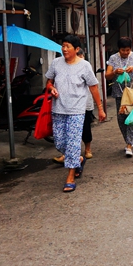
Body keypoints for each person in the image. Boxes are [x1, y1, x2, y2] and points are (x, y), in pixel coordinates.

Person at [46, 35, 106, 193]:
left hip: (76, 111)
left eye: (67, 46)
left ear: (76, 49)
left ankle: (70, 177)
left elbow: (93, 87)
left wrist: (99, 108)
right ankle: (78, 160)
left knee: (73, 143)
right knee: (59, 143)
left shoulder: (84, 66)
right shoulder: (56, 63)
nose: (64, 49)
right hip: (58, 109)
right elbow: (49, 81)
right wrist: (51, 88)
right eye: (63, 46)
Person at [105, 37, 133, 157]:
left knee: (132, 117)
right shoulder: (113, 58)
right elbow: (107, 75)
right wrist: (115, 72)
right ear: (119, 49)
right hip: (119, 94)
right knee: (121, 119)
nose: (125, 52)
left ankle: (129, 144)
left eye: (127, 50)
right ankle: (128, 140)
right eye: (123, 50)